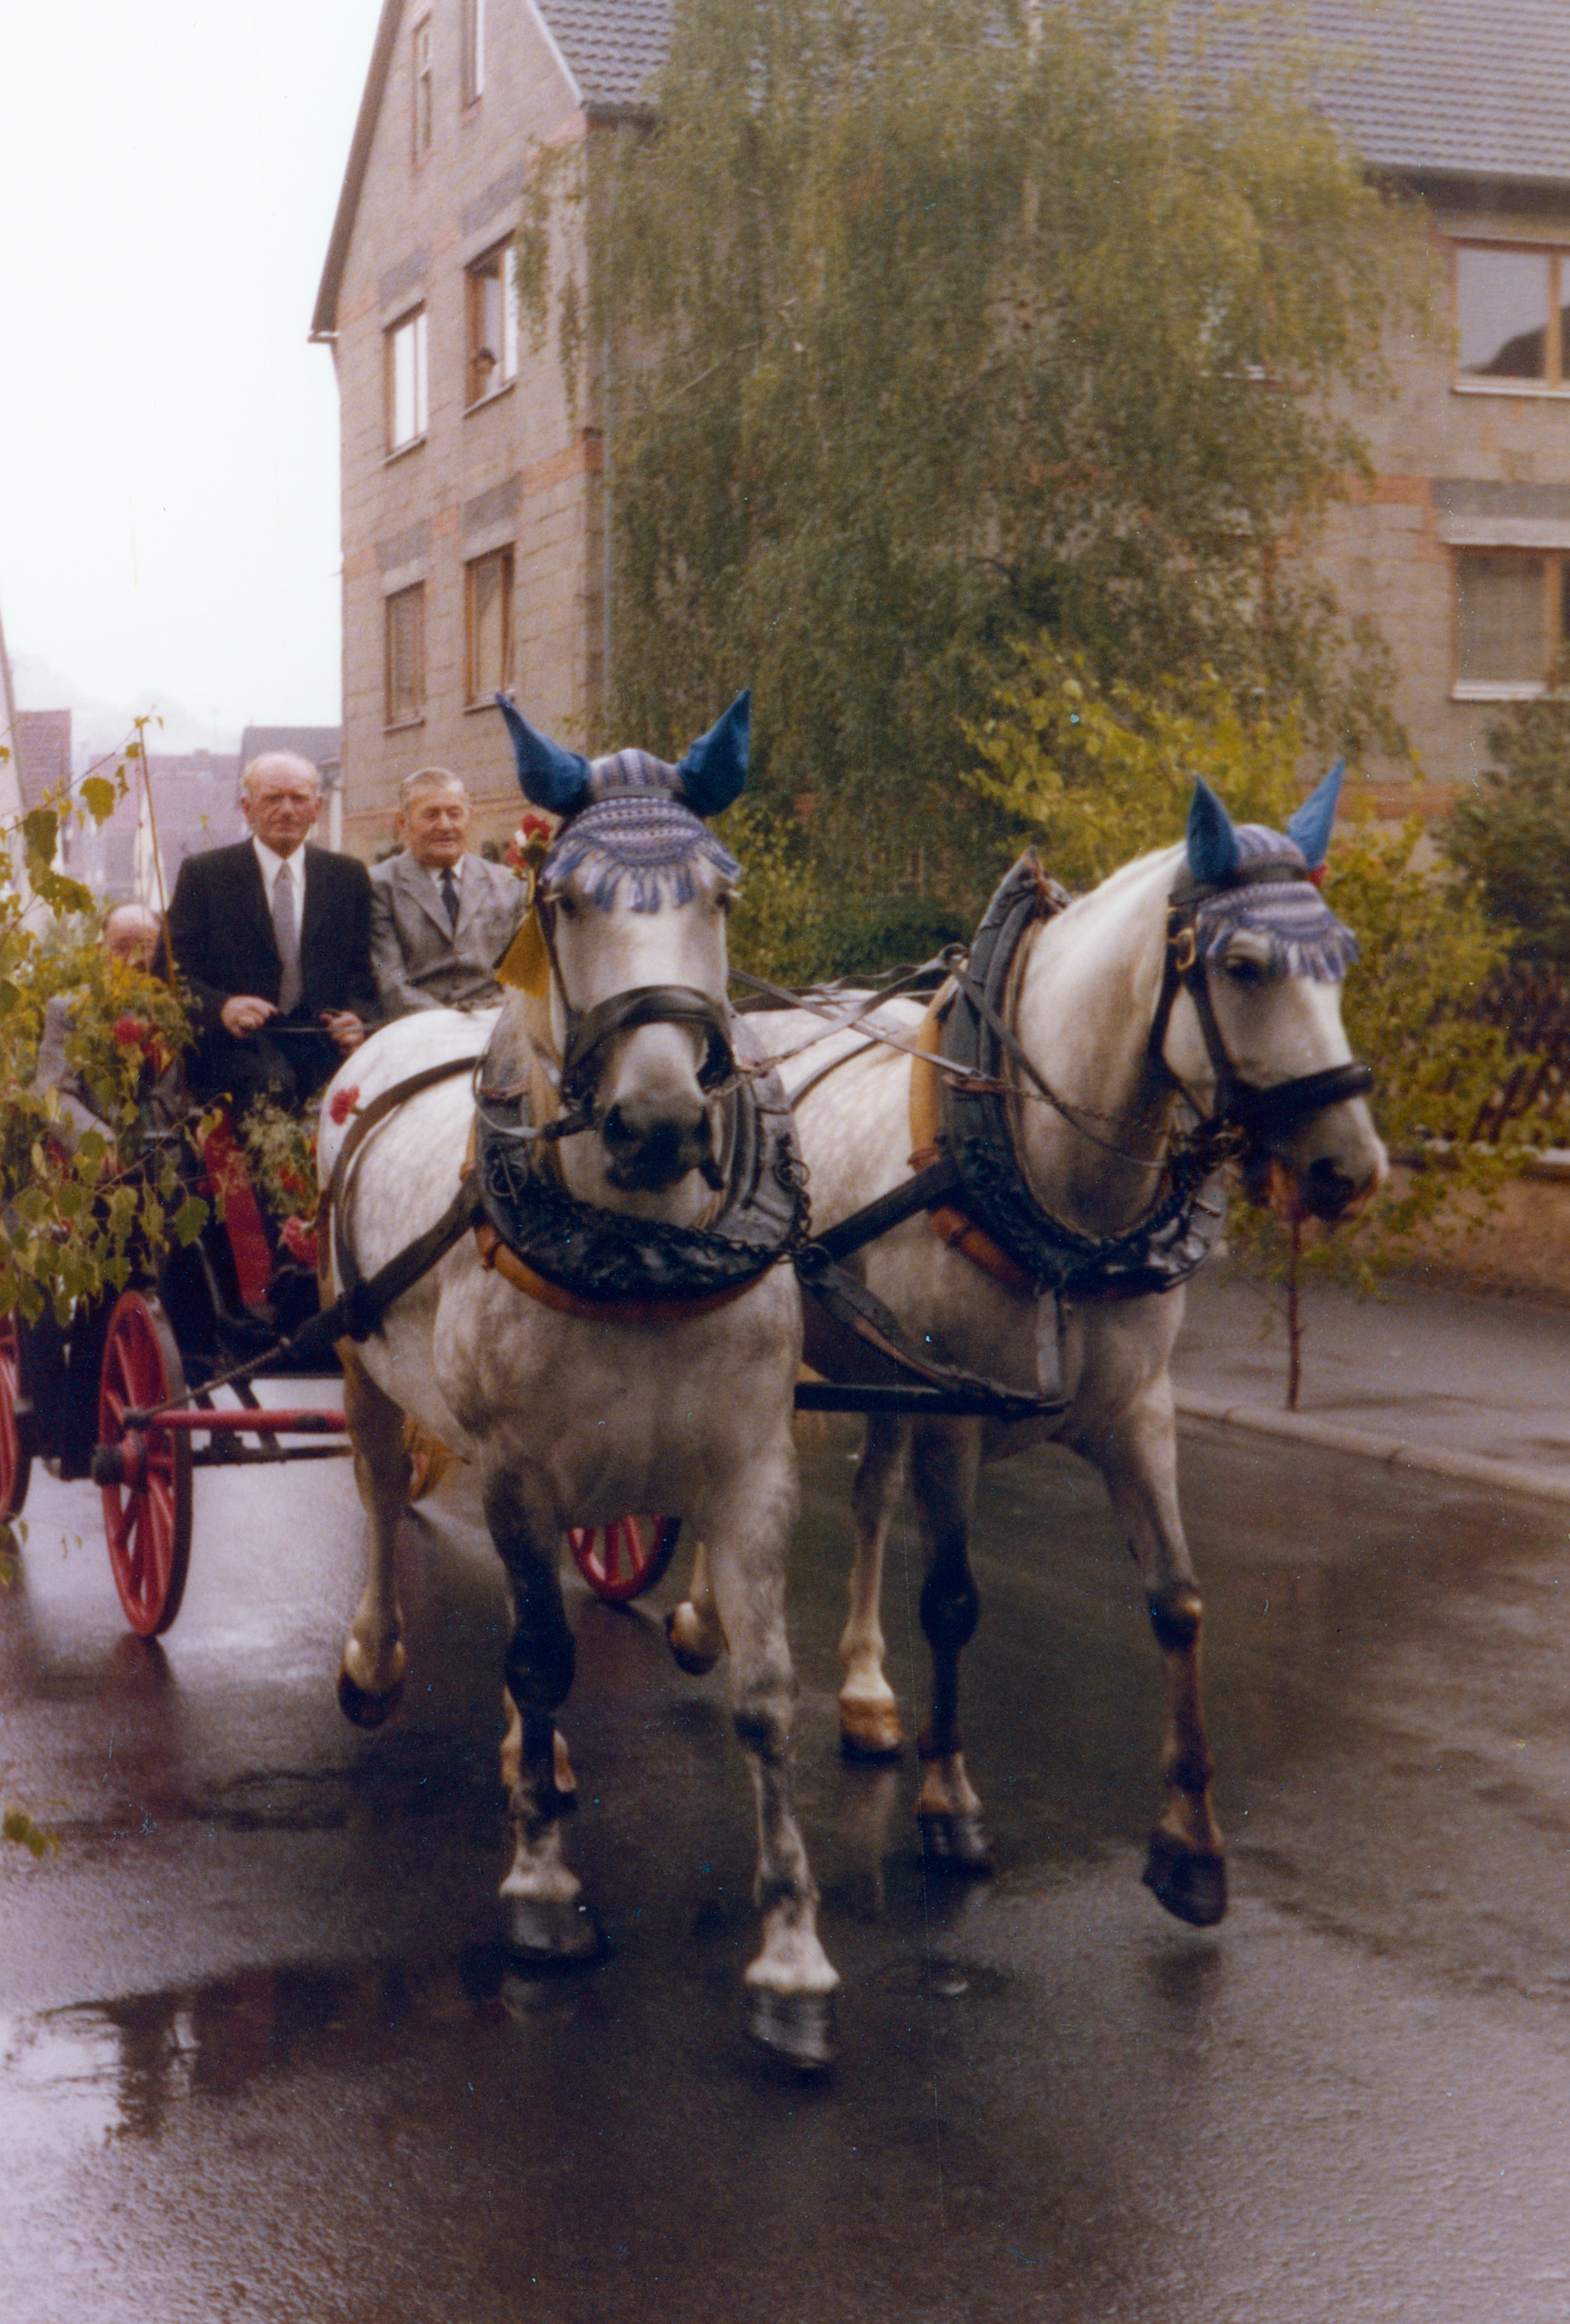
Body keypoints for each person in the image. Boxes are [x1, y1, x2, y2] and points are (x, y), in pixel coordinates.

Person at [160, 752, 376, 1115]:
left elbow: (366, 970)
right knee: (272, 1087)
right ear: (247, 808)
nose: (287, 810)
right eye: (273, 798)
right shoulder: (206, 875)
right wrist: (222, 1007)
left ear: (317, 807)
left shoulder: (348, 877)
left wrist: (358, 1016)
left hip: (322, 1043)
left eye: (299, 798)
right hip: (236, 1048)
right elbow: (167, 972)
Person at [369, 767, 529, 1017]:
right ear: (403, 822)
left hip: (497, 1025)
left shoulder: (510, 883)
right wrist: (447, 1025)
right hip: (416, 1029)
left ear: (469, 816)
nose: (445, 826)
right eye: (431, 815)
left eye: (454, 813)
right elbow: (389, 979)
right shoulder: (378, 885)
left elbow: (521, 975)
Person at [29, 902, 179, 1151]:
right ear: (102, 950)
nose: (133, 959)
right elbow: (51, 1093)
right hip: (104, 1171)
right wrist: (97, 1139)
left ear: (164, 950)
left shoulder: (178, 1006)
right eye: (121, 947)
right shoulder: (70, 1009)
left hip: (174, 1169)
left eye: (145, 946)